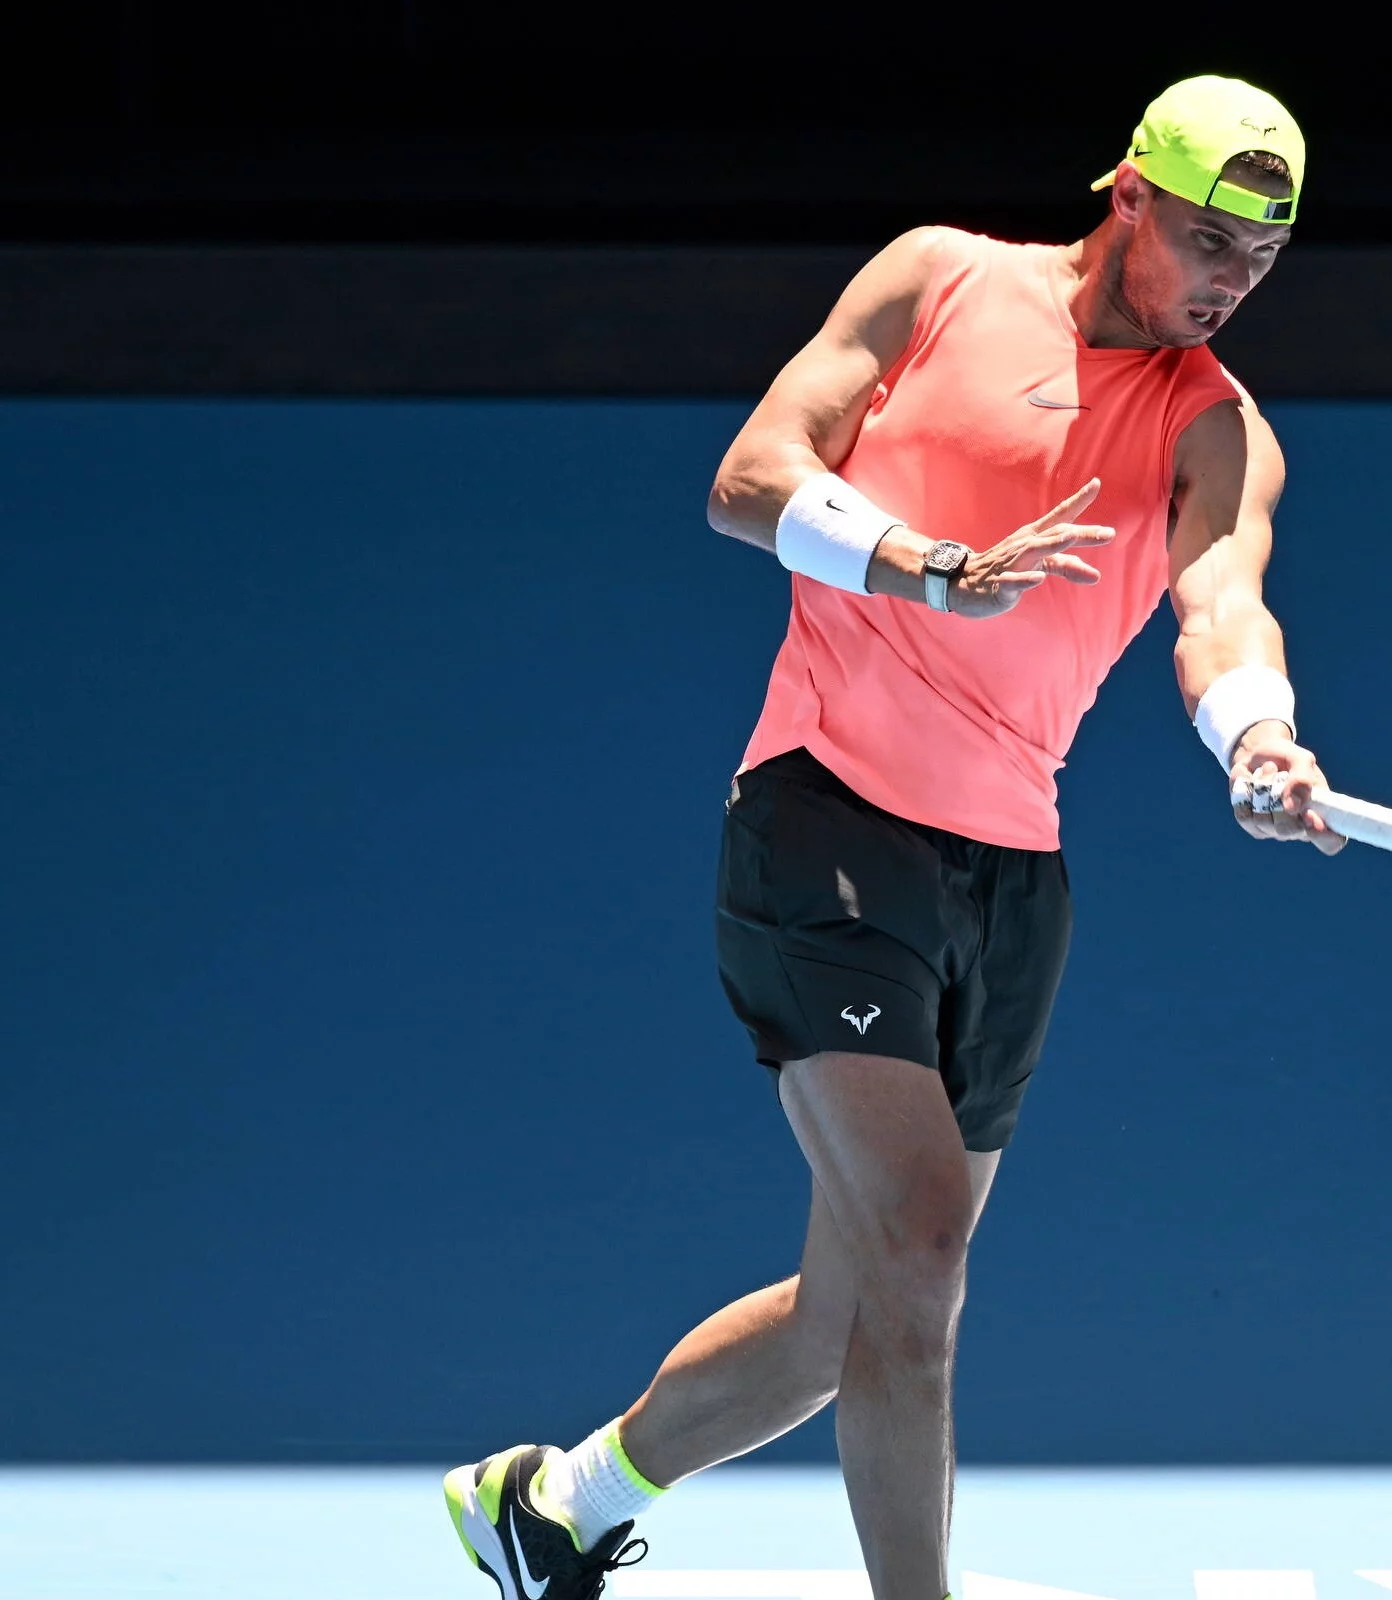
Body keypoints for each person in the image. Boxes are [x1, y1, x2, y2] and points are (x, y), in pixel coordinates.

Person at [443, 73, 1343, 1600]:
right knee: (923, 1256)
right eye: (1204, 239)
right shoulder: (938, 278)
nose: (1227, 281)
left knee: (852, 1313)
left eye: (1260, 259)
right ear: (1126, 194)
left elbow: (1219, 600)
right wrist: (924, 563)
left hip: (1009, 885)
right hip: (826, 817)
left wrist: (1255, 731)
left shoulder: (1218, 427)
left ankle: (552, 1503)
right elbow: (751, 478)